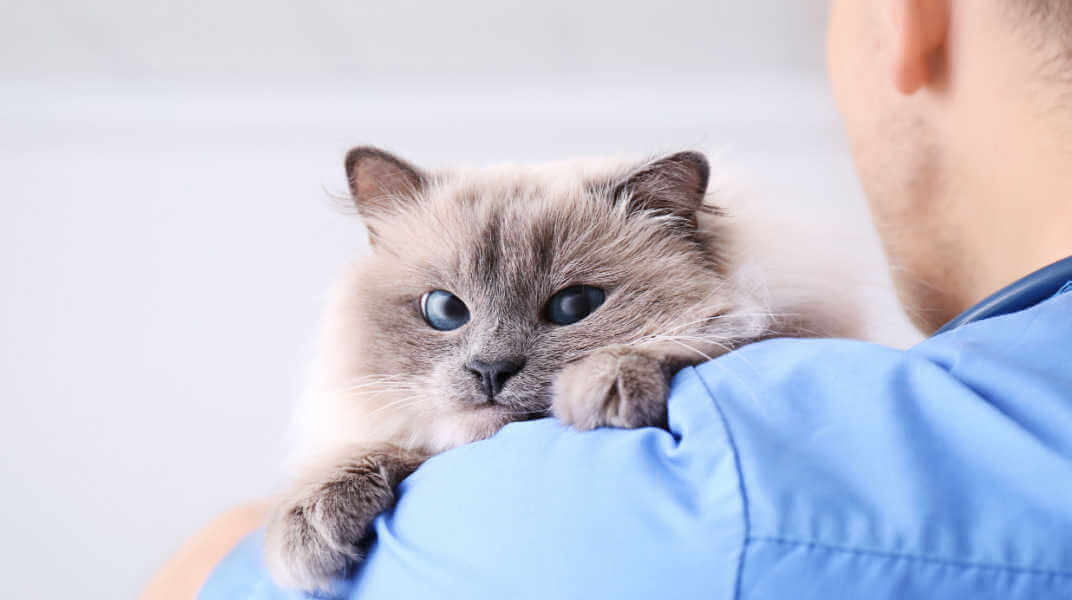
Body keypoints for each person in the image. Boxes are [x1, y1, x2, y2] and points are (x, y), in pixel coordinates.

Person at [144, 1, 1072, 597]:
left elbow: (201, 579)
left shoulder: (707, 487)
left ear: (912, 19)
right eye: (444, 313)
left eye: (569, 305)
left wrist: (233, 539)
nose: (492, 360)